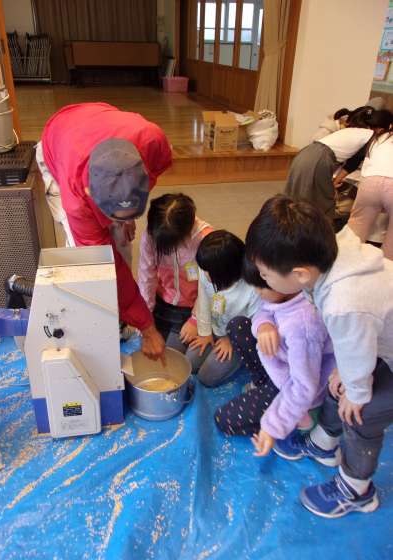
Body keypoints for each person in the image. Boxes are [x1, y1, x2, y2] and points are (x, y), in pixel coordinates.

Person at [245, 194, 393, 518]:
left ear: (299, 274)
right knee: (338, 383)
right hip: (376, 339)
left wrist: (357, 391)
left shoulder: (342, 304)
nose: (262, 282)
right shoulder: (335, 249)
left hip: (379, 347)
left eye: (266, 276)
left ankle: (356, 490)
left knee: (361, 413)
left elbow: (350, 338)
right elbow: (353, 341)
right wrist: (345, 374)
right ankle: (323, 443)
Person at [37, 102, 172, 361]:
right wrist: (147, 326)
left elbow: (144, 178)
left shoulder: (152, 139)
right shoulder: (77, 201)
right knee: (87, 264)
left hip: (97, 121)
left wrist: (126, 213)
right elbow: (106, 265)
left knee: (121, 243)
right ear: (91, 194)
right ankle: (93, 324)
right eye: (113, 215)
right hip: (58, 143)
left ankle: (120, 318)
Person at [215, 263, 335, 455]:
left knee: (224, 420)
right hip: (278, 368)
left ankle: (300, 424)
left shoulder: (304, 326)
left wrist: (273, 427)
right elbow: (264, 310)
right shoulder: (284, 292)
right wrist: (264, 325)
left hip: (293, 389)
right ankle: (263, 384)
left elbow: (303, 387)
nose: (257, 291)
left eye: (262, 285)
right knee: (237, 326)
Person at [183, 230, 261, 387]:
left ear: (224, 272)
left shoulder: (252, 288)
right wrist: (205, 332)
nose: (203, 273)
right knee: (188, 363)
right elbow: (203, 300)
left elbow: (254, 325)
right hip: (214, 329)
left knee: (206, 378)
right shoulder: (207, 271)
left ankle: (241, 360)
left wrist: (231, 340)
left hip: (237, 338)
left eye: (208, 271)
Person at [138, 193, 213, 349]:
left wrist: (195, 320)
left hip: (192, 307)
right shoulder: (151, 235)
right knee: (146, 346)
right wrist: (145, 316)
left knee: (172, 353)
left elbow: (210, 286)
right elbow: (146, 278)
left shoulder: (205, 239)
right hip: (161, 302)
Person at [285, 106, 379, 226]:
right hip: (319, 159)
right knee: (323, 203)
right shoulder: (370, 135)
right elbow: (353, 163)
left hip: (305, 154)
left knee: (297, 197)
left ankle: (290, 228)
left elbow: (350, 162)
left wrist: (335, 181)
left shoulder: (351, 131)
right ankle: (318, 233)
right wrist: (335, 181)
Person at [348, 110, 393, 259]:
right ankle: (387, 267)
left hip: (370, 182)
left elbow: (365, 168)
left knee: (357, 225)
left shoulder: (374, 141)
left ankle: (347, 258)